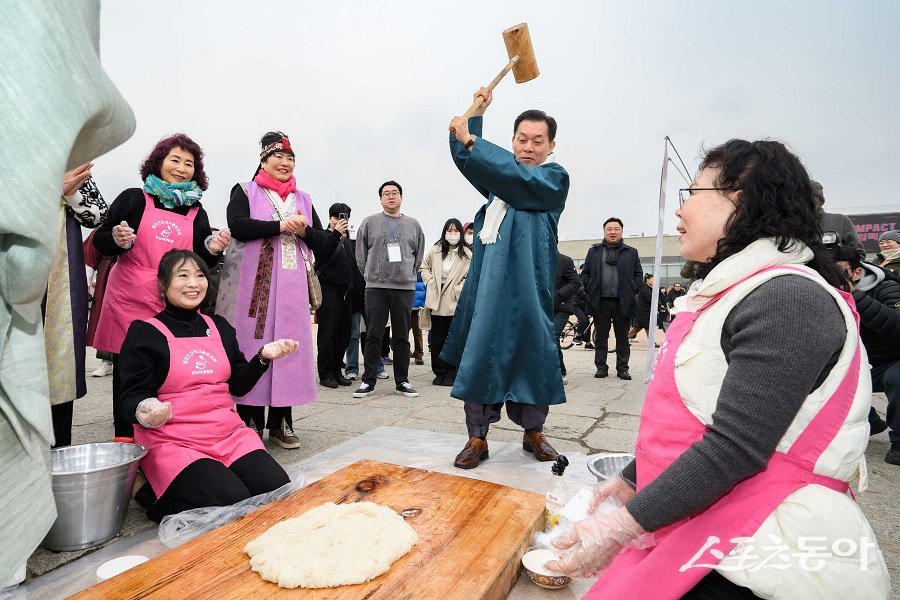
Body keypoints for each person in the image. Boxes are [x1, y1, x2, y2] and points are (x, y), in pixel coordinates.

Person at [547, 139, 889, 598]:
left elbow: (735, 446)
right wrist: (632, 480)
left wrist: (620, 527)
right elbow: (696, 415)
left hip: (762, 550)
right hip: (700, 518)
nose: (679, 211)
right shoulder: (729, 290)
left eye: (693, 192)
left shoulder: (788, 297)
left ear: (742, 201)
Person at [120, 250, 295, 522]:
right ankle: (144, 491)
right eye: (183, 275)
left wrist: (262, 358)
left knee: (277, 492)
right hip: (175, 440)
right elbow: (130, 396)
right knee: (229, 506)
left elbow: (238, 386)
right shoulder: (145, 332)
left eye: (200, 275)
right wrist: (146, 408)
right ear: (163, 285)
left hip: (228, 434)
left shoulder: (220, 327)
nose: (193, 283)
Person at [444, 88, 568, 469]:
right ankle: (476, 438)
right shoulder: (498, 189)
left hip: (531, 293)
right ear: (512, 141)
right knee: (482, 358)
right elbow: (471, 160)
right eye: (521, 139)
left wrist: (473, 140)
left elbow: (509, 174)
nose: (528, 147)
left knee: (534, 359)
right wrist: (476, 114)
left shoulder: (552, 180)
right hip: (490, 295)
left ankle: (534, 433)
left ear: (551, 146)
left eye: (537, 141)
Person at [93, 134, 230, 440]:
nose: (181, 168)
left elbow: (200, 259)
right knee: (128, 370)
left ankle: (167, 434)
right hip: (130, 295)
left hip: (173, 301)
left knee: (170, 368)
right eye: (175, 160)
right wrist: (117, 239)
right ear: (159, 163)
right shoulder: (133, 199)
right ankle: (125, 436)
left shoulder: (197, 211)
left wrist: (214, 246)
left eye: (189, 163)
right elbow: (102, 240)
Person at [216, 131, 341, 449]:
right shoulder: (245, 190)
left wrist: (306, 231)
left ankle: (281, 422)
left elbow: (325, 245)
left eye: (290, 158)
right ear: (263, 160)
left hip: (290, 291)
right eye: (277, 157)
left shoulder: (303, 199)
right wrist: (280, 226)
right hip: (254, 292)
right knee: (252, 346)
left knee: (288, 352)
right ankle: (249, 420)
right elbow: (238, 225)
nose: (285, 163)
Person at [46, 164, 108, 447]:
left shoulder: (70, 162)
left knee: (58, 360)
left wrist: (69, 193)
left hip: (57, 279)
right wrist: (48, 192)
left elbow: (97, 216)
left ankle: (58, 452)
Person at [352, 180, 425, 399]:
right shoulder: (369, 222)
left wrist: (408, 276)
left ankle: (402, 381)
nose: (391, 196)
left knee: (402, 336)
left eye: (395, 193)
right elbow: (360, 254)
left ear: (401, 197)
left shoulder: (414, 224)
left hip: (404, 288)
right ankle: (368, 381)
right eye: (386, 193)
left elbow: (418, 254)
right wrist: (370, 275)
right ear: (381, 199)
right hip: (376, 287)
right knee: (373, 334)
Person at [833, 246, 900, 464]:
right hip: (857, 363)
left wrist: (854, 296)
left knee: (898, 377)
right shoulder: (823, 290)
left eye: (839, 271)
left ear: (857, 272)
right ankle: (869, 419)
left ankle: (899, 441)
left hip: (890, 361)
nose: (833, 278)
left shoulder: (886, 288)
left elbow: (896, 325)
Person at [581, 218, 642, 380]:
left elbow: (638, 274)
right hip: (600, 301)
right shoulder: (594, 251)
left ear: (621, 231)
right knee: (601, 336)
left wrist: (633, 289)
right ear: (604, 231)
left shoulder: (631, 252)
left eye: (616, 229)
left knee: (622, 336)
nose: (613, 232)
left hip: (623, 301)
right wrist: (589, 287)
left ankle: (623, 368)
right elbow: (585, 273)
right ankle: (601, 367)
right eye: (609, 229)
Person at [420, 218, 472, 386]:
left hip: (454, 300)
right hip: (436, 298)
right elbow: (423, 267)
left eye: (456, 231)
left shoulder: (467, 254)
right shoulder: (435, 250)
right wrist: (429, 282)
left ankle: (452, 372)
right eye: (449, 231)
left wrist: (458, 289)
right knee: (437, 339)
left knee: (454, 339)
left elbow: (470, 277)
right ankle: (439, 371)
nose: (452, 234)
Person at [315, 203, 355, 388]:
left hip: (347, 294)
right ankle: (325, 374)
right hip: (328, 291)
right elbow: (322, 254)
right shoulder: (324, 236)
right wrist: (336, 233)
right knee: (327, 334)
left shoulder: (348, 240)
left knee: (343, 334)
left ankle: (337, 370)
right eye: (338, 217)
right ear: (330, 218)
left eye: (344, 217)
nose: (341, 220)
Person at [812, 180, 866, 260]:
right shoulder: (790, 225)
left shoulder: (840, 220)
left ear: (820, 201)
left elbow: (858, 255)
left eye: (813, 199)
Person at [553, 252, 584, 386]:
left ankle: (561, 372)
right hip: (539, 307)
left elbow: (575, 283)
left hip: (561, 308)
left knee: (552, 337)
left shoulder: (564, 260)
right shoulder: (532, 257)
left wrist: (558, 295)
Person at [627, 274, 655, 342]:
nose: (654, 280)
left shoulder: (648, 288)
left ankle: (652, 342)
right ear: (647, 280)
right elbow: (650, 299)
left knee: (647, 327)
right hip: (642, 313)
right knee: (637, 328)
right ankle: (622, 340)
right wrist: (659, 304)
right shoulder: (645, 288)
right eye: (652, 279)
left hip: (644, 312)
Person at [410, 273, 426, 366]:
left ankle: (418, 354)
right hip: (403, 300)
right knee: (402, 331)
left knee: (417, 330)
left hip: (415, 302)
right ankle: (403, 353)